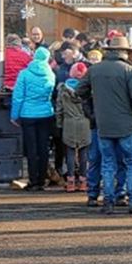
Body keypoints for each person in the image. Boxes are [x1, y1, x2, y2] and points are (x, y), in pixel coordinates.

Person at [76, 36, 132, 214]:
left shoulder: (95, 70)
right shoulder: (130, 72)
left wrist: (92, 112)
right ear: (125, 52)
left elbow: (79, 91)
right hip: (126, 125)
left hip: (103, 124)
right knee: (131, 163)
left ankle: (108, 201)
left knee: (107, 163)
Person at [11, 47, 57, 191]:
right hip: (46, 114)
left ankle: (33, 180)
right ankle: (42, 180)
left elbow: (18, 97)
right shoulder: (51, 74)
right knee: (43, 148)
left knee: (31, 148)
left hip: (27, 114)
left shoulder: (24, 74)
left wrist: (14, 115)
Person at [57, 62, 91, 192]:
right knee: (84, 153)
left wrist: (59, 124)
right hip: (85, 122)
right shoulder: (88, 89)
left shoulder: (63, 89)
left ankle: (70, 181)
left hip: (69, 122)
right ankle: (83, 181)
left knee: (70, 152)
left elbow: (59, 109)